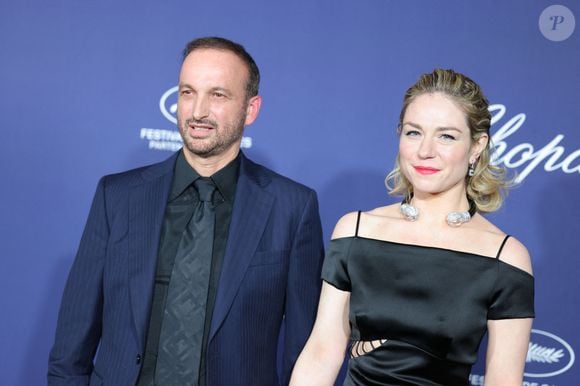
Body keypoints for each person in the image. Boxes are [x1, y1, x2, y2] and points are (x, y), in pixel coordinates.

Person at [48, 36, 325, 386]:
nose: (197, 112)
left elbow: (307, 353)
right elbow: (71, 344)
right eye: (187, 92)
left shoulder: (292, 209)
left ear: (251, 109)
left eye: (218, 95)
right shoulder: (116, 197)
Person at [290, 69, 534, 386]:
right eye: (414, 132)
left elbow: (504, 380)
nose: (425, 151)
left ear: (476, 146)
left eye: (446, 136)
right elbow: (322, 352)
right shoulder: (356, 232)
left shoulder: (505, 258)